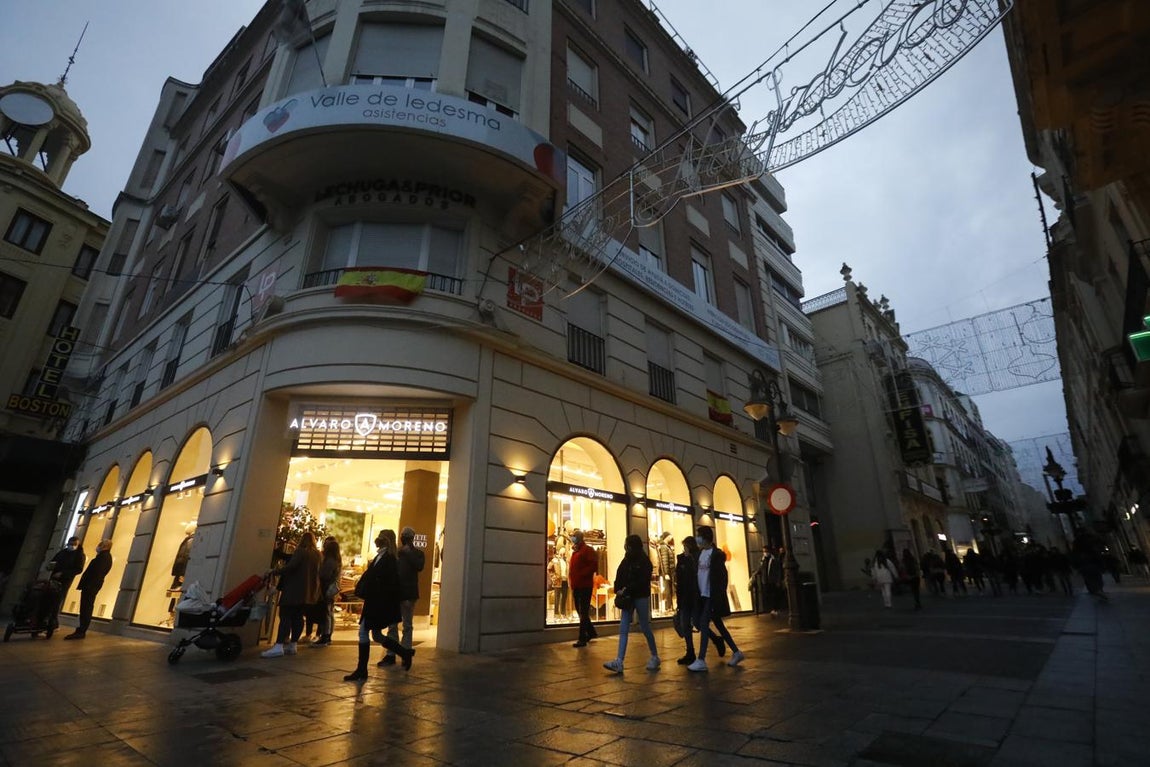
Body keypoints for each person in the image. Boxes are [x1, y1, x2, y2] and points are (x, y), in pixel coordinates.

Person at [344, 529, 413, 680]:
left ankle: (362, 670)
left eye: (381, 537)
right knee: (376, 635)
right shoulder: (381, 556)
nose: (377, 540)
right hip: (374, 601)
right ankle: (404, 653)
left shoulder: (388, 558)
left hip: (377, 603)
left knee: (364, 632)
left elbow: (388, 582)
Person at [688, 526, 744, 672]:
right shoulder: (699, 554)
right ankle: (736, 652)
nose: (697, 538)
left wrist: (717, 594)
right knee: (718, 625)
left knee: (704, 623)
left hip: (711, 595)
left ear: (705, 537)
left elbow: (721, 577)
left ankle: (701, 659)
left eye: (698, 535)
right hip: (702, 595)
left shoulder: (716, 554)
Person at [602, 534, 660, 674]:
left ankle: (654, 655)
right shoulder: (628, 559)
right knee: (624, 627)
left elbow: (642, 580)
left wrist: (625, 588)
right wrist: (618, 589)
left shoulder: (643, 561)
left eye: (627, 544)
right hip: (630, 596)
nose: (625, 546)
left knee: (645, 626)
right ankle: (619, 660)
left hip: (639, 596)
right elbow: (620, 574)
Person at [262, 531, 321, 658]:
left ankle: (279, 645)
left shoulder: (300, 552)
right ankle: (293, 644)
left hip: (294, 591)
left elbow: (291, 567)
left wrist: (275, 571)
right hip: (308, 593)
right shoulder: (317, 555)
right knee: (298, 617)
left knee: (285, 616)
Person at [380, 526, 426, 666]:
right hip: (396, 593)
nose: (404, 538)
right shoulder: (397, 553)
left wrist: (409, 553)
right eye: (403, 536)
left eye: (406, 536)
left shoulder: (417, 553)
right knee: (392, 625)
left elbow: (419, 566)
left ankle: (406, 652)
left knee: (407, 625)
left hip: (408, 594)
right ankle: (391, 653)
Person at [65, 539, 112, 640]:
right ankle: (81, 629)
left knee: (86, 607)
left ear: (105, 546)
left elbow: (97, 573)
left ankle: (81, 630)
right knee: (86, 606)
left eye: (100, 544)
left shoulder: (103, 558)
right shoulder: (104, 557)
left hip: (90, 586)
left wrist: (89, 585)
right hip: (91, 586)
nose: (98, 546)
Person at [568, 530, 599, 648]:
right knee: (579, 610)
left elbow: (593, 566)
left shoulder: (587, 550)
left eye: (574, 536)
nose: (572, 538)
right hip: (576, 585)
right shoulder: (575, 551)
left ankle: (582, 638)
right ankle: (591, 632)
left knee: (583, 611)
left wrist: (581, 574)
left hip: (585, 585)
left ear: (580, 538)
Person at [311, 536, 342, 647]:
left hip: (326, 588)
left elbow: (324, 575)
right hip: (332, 589)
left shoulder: (329, 561)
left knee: (326, 613)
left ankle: (325, 636)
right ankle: (327, 635)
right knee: (329, 613)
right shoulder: (337, 560)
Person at [48, 536, 86, 602]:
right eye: (71, 544)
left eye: (74, 544)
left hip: (65, 580)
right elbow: (54, 561)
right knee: (49, 597)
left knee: (58, 599)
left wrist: (63, 573)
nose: (72, 546)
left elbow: (78, 569)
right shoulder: (62, 552)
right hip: (54, 578)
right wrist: (50, 566)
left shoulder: (79, 555)